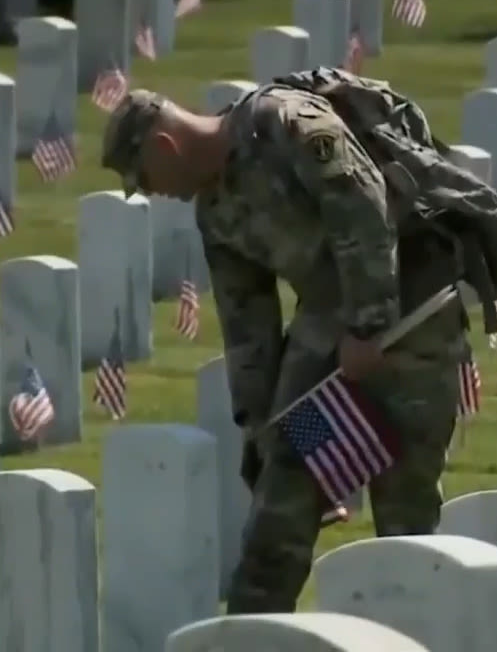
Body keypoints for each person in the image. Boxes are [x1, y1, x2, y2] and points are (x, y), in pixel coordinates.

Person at [100, 81, 472, 613]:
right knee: (281, 501)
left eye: (147, 181)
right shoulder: (216, 212)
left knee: (404, 517)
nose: (155, 194)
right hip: (328, 331)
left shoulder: (283, 123)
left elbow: (364, 205)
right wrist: (259, 425)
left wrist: (369, 325)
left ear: (165, 147)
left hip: (413, 320)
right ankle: (249, 638)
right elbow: (246, 323)